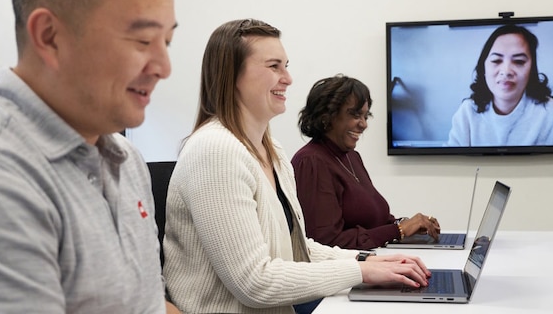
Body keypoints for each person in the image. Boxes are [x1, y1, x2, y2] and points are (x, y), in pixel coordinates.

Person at [0, 0, 180, 313]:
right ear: (50, 36)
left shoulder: (125, 159)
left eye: (167, 41)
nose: (164, 67)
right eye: (144, 40)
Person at [163, 19, 431, 314]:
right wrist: (361, 272)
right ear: (232, 75)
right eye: (274, 66)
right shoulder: (215, 150)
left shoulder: (272, 151)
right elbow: (254, 282)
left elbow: (297, 249)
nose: (288, 78)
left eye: (286, 65)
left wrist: (363, 260)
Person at [292, 75, 440, 251]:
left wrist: (408, 225)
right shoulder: (311, 162)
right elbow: (324, 242)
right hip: (347, 274)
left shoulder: (351, 157)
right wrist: (398, 230)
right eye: (355, 115)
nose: (363, 125)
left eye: (366, 116)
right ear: (326, 116)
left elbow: (374, 222)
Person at [447, 24, 553, 146]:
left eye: (519, 61)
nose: (506, 71)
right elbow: (451, 162)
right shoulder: (467, 112)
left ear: (531, 70)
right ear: (483, 68)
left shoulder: (550, 111)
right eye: (496, 61)